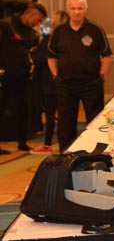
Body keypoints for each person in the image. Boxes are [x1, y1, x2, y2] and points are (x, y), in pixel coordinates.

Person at [47, 0, 112, 153]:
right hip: (65, 85)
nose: (76, 12)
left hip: (91, 84)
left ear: (86, 10)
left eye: (80, 8)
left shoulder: (95, 29)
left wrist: (102, 75)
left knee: (96, 121)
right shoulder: (59, 32)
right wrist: (55, 75)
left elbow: (107, 55)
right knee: (65, 123)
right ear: (68, 10)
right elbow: (51, 56)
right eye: (73, 8)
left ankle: (96, 154)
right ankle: (66, 155)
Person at [0, 2, 47, 153]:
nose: (37, 24)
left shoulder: (33, 34)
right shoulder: (6, 25)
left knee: (23, 110)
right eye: (37, 20)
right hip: (5, 75)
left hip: (23, 76)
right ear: (30, 13)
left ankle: (22, 142)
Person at [30, 9, 68, 154]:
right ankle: (65, 144)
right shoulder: (67, 39)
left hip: (49, 80)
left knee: (50, 115)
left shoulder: (49, 39)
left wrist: (35, 51)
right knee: (65, 114)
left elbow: (40, 59)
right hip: (65, 80)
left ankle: (47, 144)